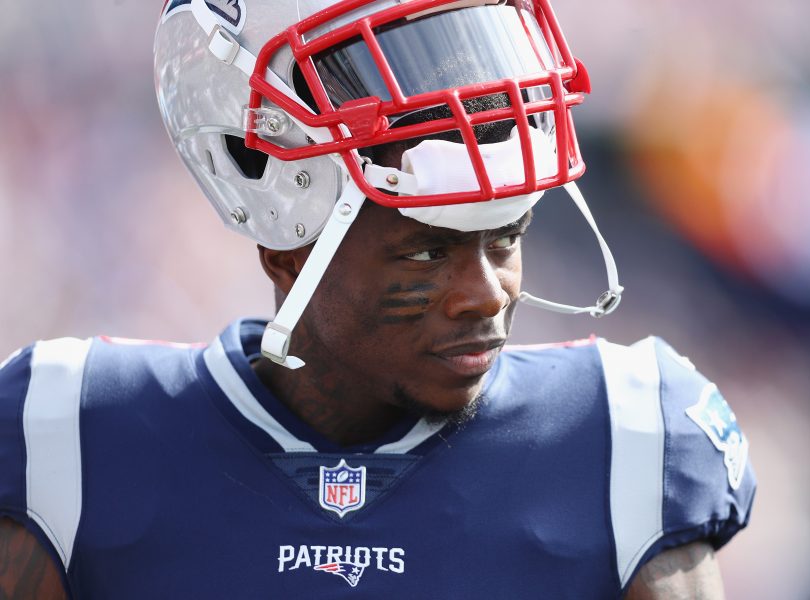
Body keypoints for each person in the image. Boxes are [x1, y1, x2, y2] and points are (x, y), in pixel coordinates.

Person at [0, 0, 755, 597]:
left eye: (505, 237)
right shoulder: (70, 434)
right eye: (428, 251)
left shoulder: (627, 437)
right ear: (281, 241)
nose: (485, 294)